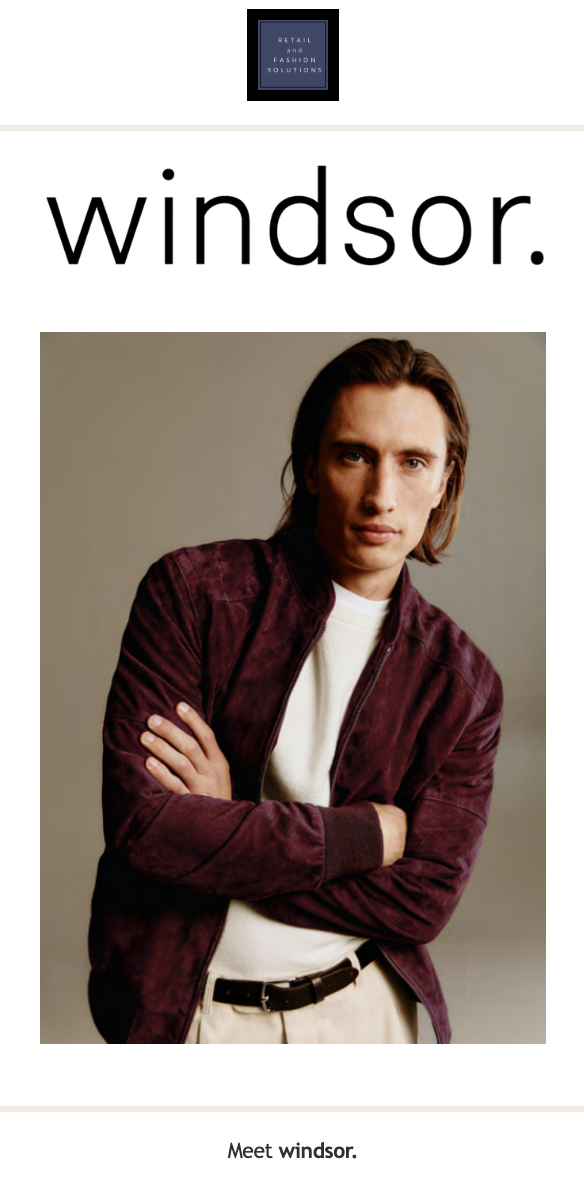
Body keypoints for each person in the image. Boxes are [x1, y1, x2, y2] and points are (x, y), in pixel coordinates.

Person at [88, 337, 503, 1045]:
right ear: (310, 466)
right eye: (354, 455)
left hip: (366, 1017)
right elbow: (147, 828)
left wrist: (228, 826)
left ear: (444, 480)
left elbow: (423, 900)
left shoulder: (462, 685)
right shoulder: (194, 594)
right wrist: (368, 834)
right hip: (196, 1018)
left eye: (412, 462)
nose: (381, 495)